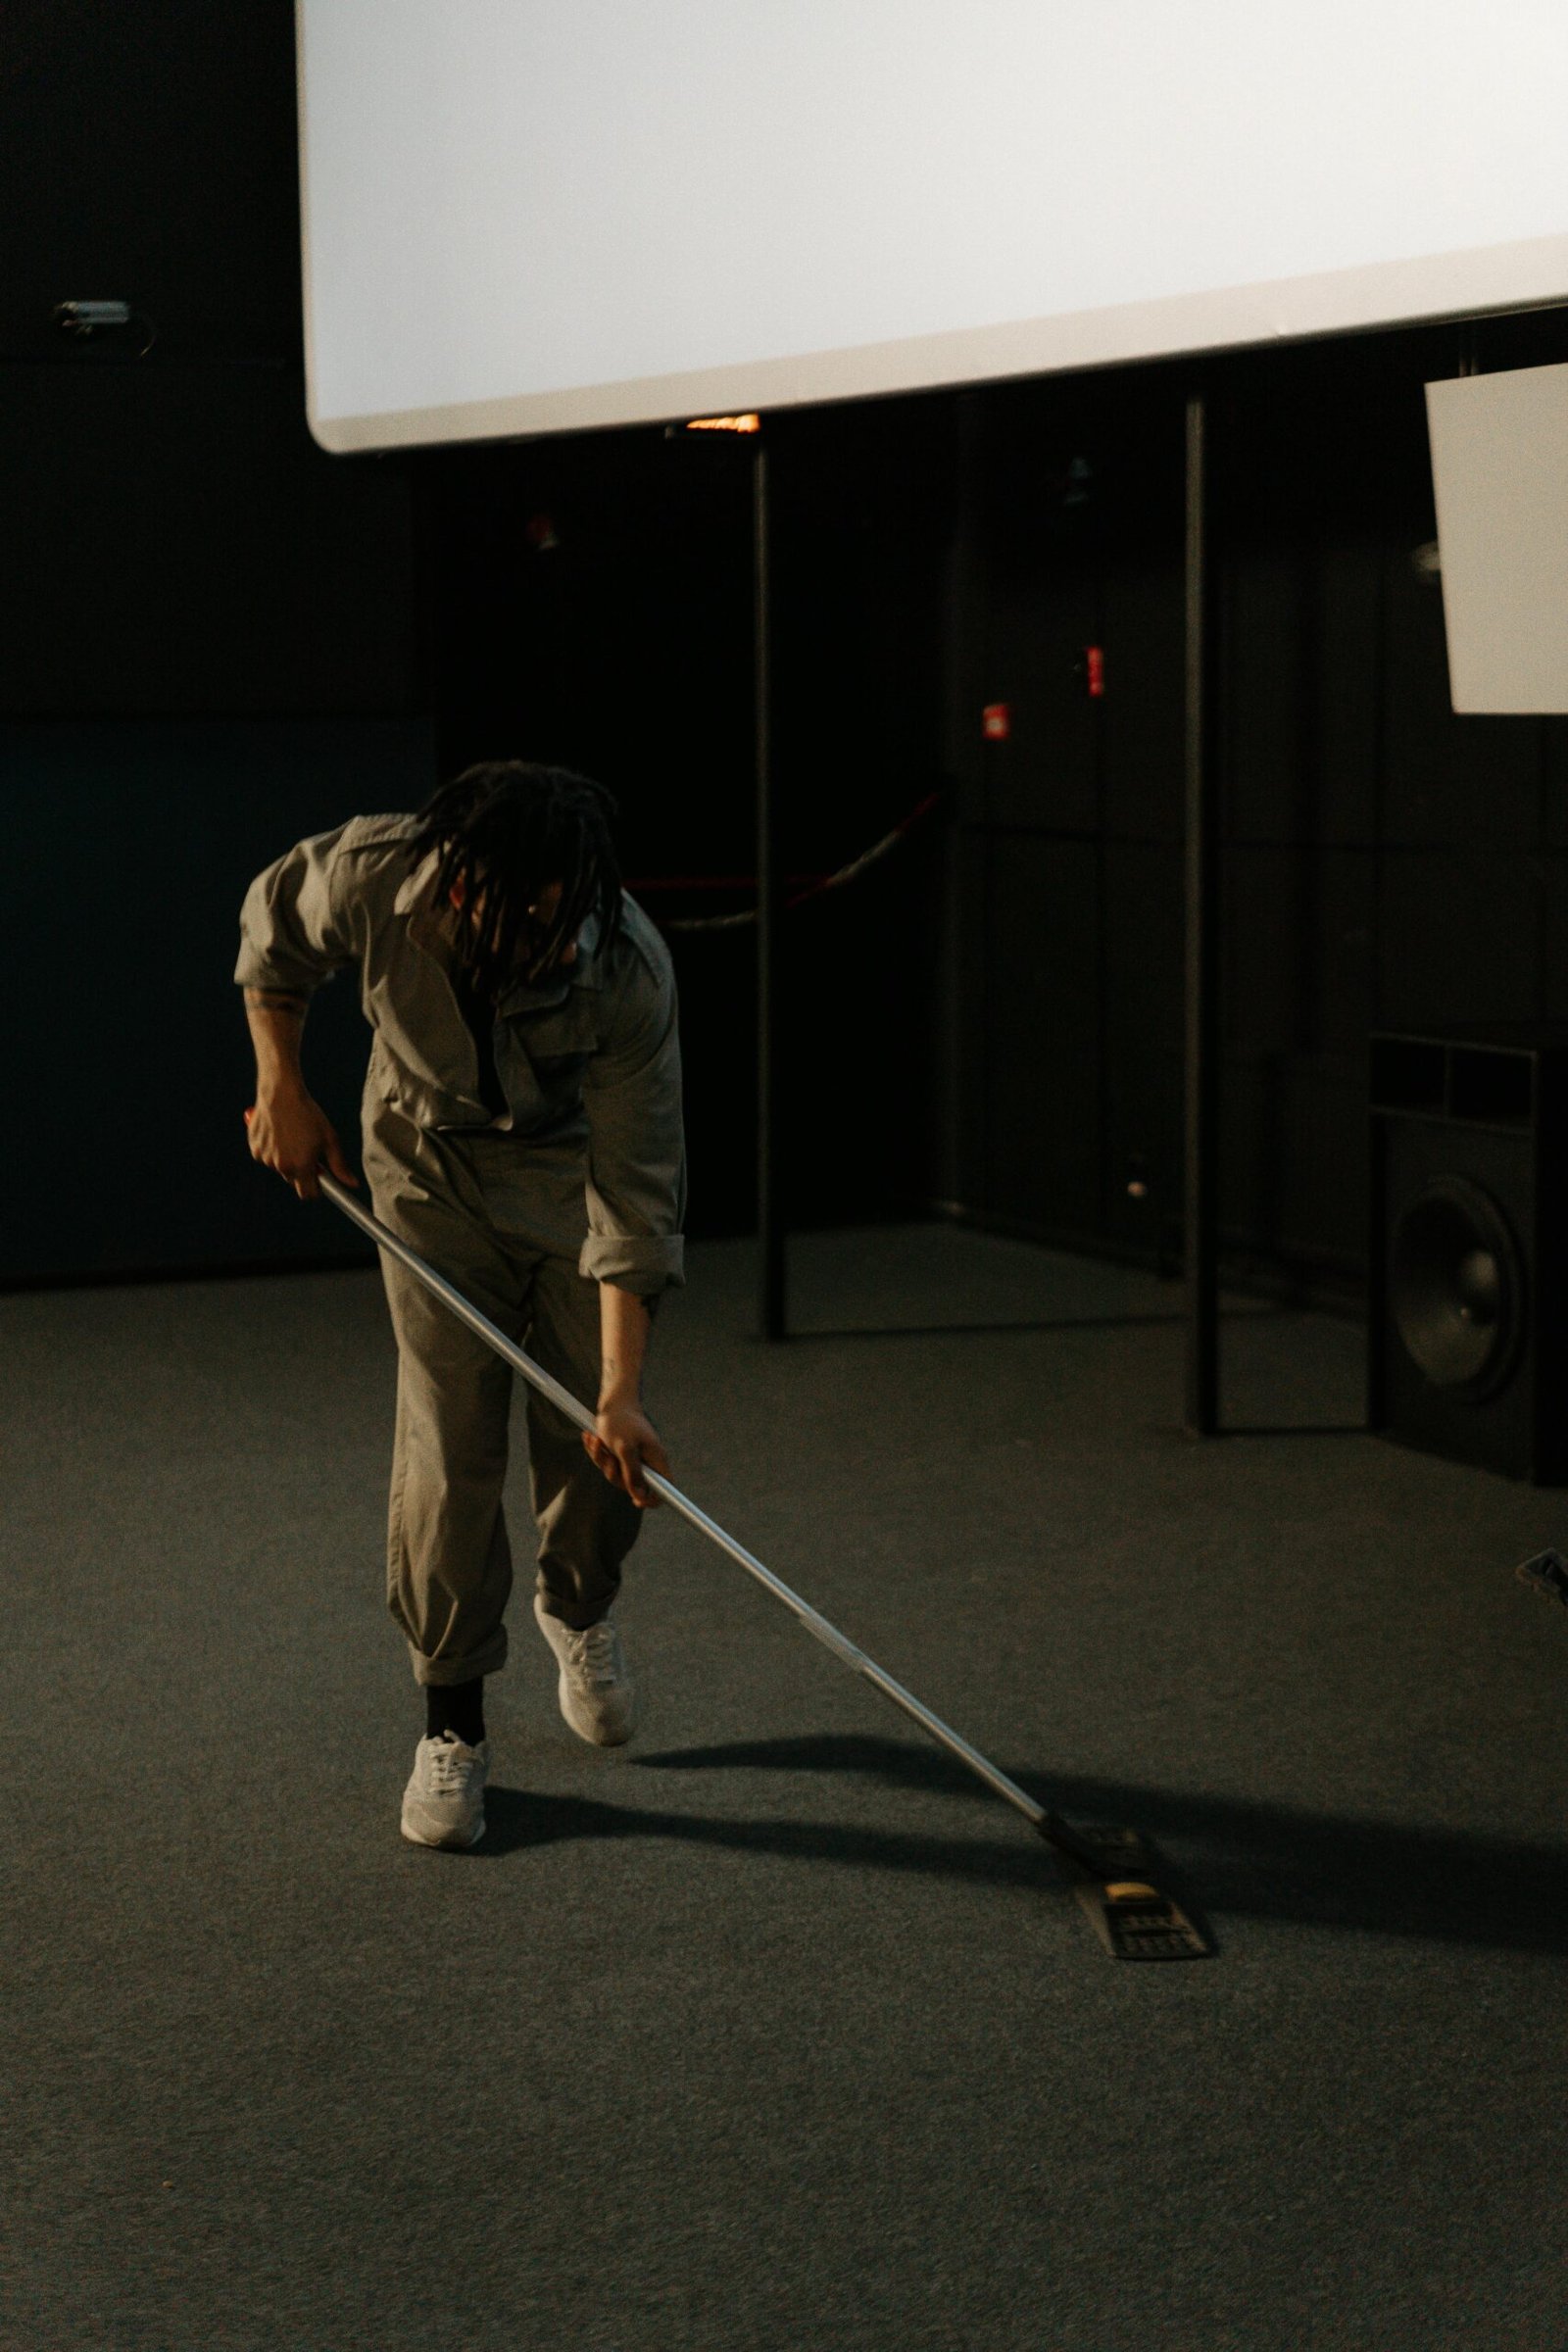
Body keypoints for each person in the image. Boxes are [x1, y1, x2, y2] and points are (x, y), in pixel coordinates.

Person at [236, 760, 684, 1850]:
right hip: (424, 1165)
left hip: (567, 1176)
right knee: (451, 1441)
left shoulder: (624, 965)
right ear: (460, 880)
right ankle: (453, 1722)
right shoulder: (374, 873)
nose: (541, 938)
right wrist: (280, 1085)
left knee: (595, 1440)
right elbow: (272, 942)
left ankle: (575, 1608)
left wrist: (621, 1393)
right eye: (517, 912)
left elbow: (634, 1200)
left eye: (557, 917)